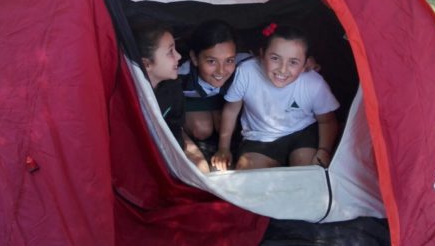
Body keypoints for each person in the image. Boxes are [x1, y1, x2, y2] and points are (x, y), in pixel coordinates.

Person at [211, 23, 339, 171]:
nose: (282, 69)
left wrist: (323, 150)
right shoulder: (246, 72)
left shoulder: (313, 83)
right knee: (249, 180)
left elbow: (327, 121)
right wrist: (223, 148)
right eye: (275, 58)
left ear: (305, 65)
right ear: (261, 55)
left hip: (301, 134)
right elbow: (231, 110)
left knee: (307, 173)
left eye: (293, 62)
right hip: (259, 137)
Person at [131, 20, 210, 172]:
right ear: (146, 64)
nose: (179, 56)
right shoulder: (127, 96)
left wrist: (193, 157)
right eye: (170, 52)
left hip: (166, 145)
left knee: (201, 169)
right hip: (139, 156)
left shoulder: (172, 87)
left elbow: (175, 126)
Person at [178, 20, 245, 166]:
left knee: (228, 127)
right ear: (195, 58)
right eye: (211, 61)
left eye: (229, 60)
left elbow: (267, 64)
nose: (221, 71)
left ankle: (215, 112)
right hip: (191, 101)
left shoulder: (244, 67)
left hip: (223, 100)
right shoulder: (181, 76)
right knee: (202, 130)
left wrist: (307, 66)